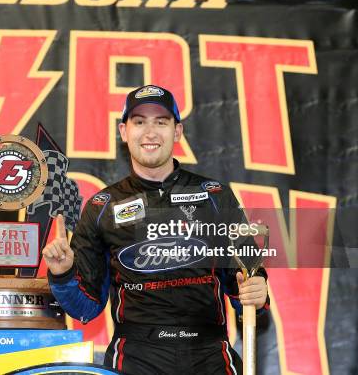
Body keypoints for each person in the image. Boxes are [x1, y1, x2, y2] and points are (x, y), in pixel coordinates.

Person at [43, 85, 269, 374]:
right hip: (136, 357)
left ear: (177, 131)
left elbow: (248, 281)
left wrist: (257, 290)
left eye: (161, 122)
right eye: (139, 122)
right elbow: (85, 308)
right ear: (124, 131)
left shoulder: (214, 196)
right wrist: (62, 274)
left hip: (209, 356)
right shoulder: (103, 206)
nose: (150, 133)